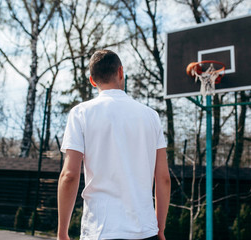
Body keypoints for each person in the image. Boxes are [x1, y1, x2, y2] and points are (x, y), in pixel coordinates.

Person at [57, 49, 171, 240]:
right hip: (145, 230)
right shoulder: (151, 116)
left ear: (93, 81)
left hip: (100, 230)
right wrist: (159, 229)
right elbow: (163, 178)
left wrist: (62, 233)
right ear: (121, 72)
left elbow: (69, 175)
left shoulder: (81, 113)